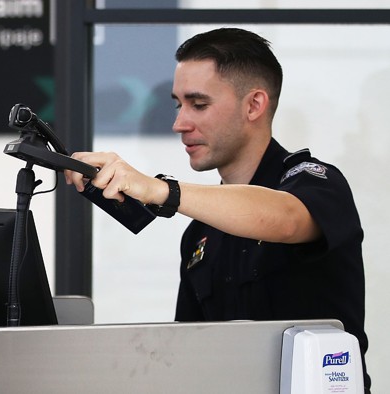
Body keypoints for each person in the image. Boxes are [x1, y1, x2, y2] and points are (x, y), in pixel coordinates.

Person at [64, 28, 370, 391]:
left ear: (254, 105)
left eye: (199, 104)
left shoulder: (317, 182)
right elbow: (187, 356)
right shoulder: (199, 234)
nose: (179, 123)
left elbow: (286, 219)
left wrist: (161, 189)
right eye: (178, 104)